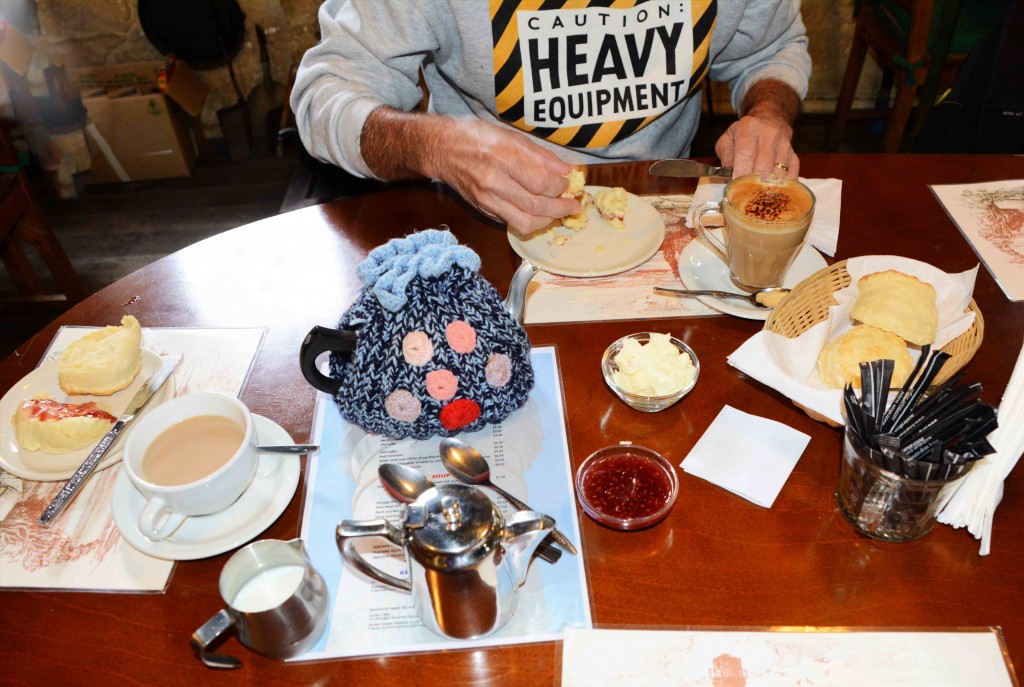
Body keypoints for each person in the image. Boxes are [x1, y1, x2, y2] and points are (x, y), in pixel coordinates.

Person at [292, 0, 811, 234]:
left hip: (667, 212)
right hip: (486, 218)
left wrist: (768, 111)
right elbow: (324, 95)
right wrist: (438, 147)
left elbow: (773, 48)